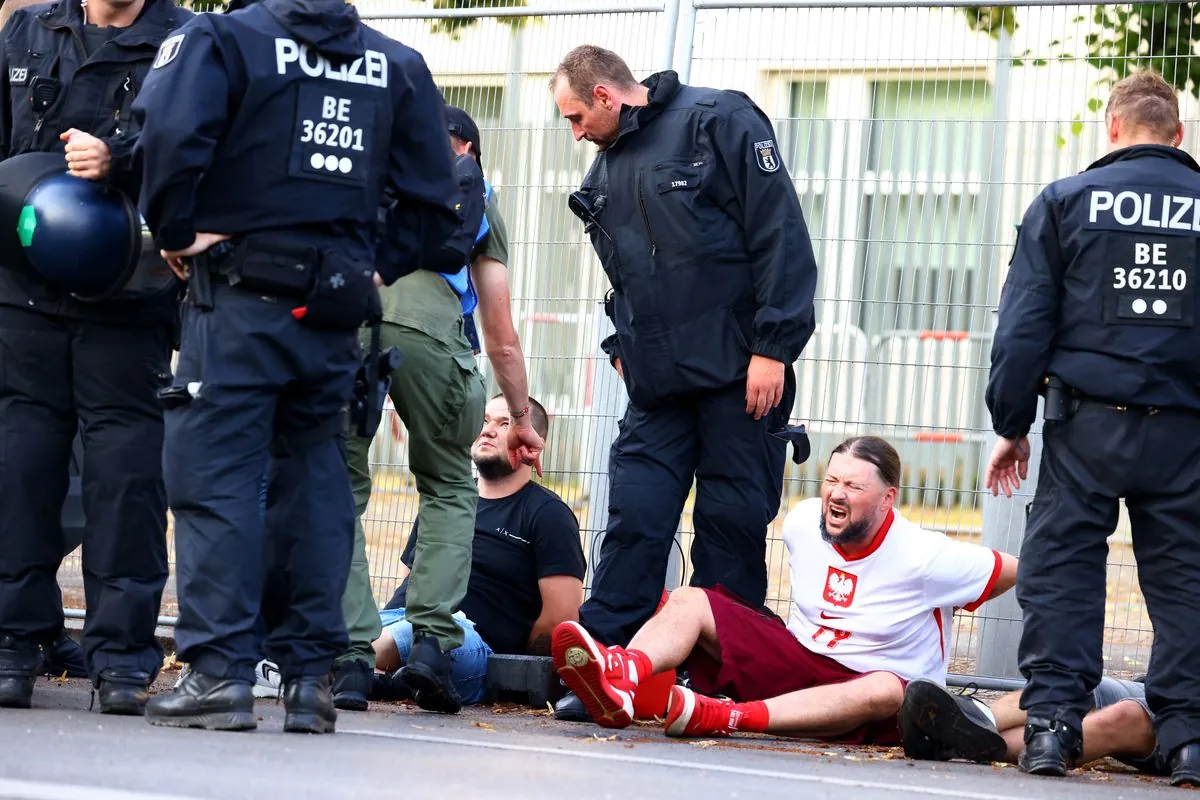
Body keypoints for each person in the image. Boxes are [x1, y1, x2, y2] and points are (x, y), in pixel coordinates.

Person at [130, 0, 467, 733]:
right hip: (335, 314)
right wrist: (372, 268)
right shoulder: (396, 64)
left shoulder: (222, 39)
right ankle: (310, 681)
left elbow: (167, 135)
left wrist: (179, 230)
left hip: (238, 301)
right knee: (317, 488)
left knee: (216, 481)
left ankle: (220, 673)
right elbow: (440, 202)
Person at [548, 45, 818, 667]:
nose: (575, 134)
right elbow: (624, 276)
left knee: (729, 531)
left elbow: (779, 235)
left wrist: (773, 349)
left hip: (741, 376)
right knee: (634, 520)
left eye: (575, 119)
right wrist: (621, 348)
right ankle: (602, 666)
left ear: (605, 97)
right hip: (657, 388)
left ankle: (716, 677)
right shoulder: (603, 173)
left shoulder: (718, 121)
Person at [983, 69, 1200, 786]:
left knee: (1065, 575)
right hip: (1186, 430)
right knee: (1185, 580)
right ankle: (1190, 742)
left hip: (1085, 426)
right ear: (1176, 135)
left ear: (1112, 128)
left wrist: (1010, 423)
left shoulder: (1065, 202)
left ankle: (1049, 731)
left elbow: (1022, 328)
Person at [551, 436, 1017, 742]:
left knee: (886, 689)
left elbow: (1019, 570)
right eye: (831, 479)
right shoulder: (802, 522)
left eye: (853, 486)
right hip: (799, 661)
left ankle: (725, 716)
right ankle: (623, 674)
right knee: (694, 599)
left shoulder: (927, 556)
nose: (836, 494)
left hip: (873, 700)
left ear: (887, 497)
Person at [0, 0, 191, 714]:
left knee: (127, 486)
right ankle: (14, 644)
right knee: (19, 474)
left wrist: (121, 159)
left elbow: (201, 149)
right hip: (24, 297)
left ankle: (121, 660)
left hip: (129, 300)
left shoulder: (185, 41)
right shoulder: (26, 31)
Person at [334, 104, 544, 716]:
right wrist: (522, 417)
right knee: (451, 484)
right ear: (470, 154)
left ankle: (350, 659)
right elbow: (500, 331)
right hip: (434, 336)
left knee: (338, 488)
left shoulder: (366, 172)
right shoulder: (479, 197)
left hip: (349, 323)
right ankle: (430, 644)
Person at [368, 394, 585, 705]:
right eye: (484, 421)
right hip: (402, 621)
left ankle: (346, 666)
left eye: (504, 423)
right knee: (347, 622)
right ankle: (387, 679)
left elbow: (560, 618)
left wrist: (511, 671)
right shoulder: (446, 500)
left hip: (471, 642)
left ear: (533, 441)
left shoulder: (548, 514)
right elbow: (409, 581)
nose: (487, 430)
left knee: (421, 632)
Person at [898, 676, 1165, 777]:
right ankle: (973, 719)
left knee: (1127, 716)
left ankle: (949, 743)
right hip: (1167, 684)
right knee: (1074, 683)